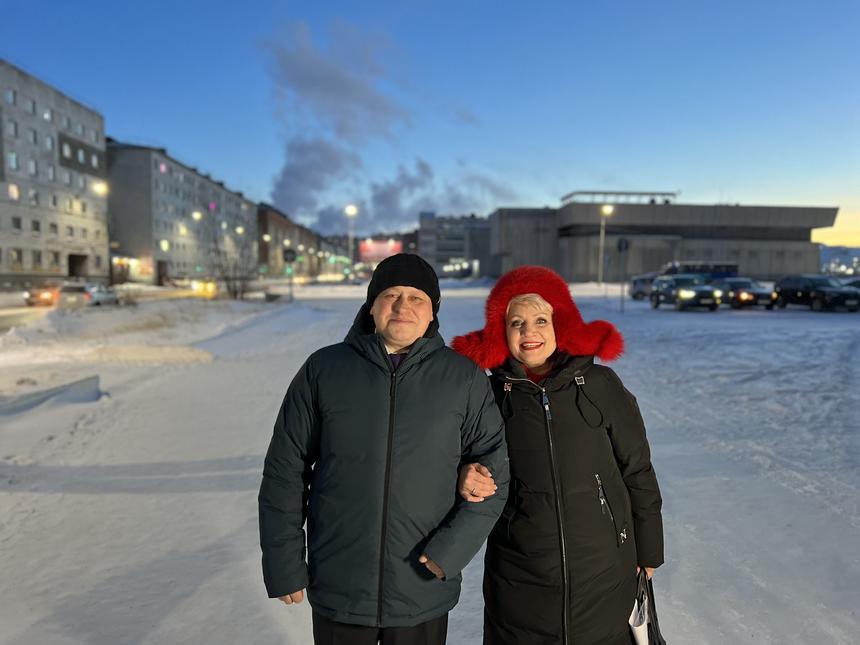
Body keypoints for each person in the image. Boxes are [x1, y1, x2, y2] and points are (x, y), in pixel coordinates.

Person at [259, 253, 509, 645]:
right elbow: (285, 471)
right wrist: (284, 562)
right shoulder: (323, 370)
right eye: (391, 294)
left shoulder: (463, 378)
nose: (402, 306)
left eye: (416, 298)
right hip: (340, 583)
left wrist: (450, 553)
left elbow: (496, 474)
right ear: (371, 306)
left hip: (422, 584)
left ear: (432, 313)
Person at [452, 265, 664, 645]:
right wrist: (462, 473)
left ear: (560, 324)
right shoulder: (485, 396)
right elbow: (454, 456)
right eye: (516, 322)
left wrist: (649, 549)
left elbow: (637, 469)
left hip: (604, 567)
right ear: (502, 332)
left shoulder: (601, 385)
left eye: (540, 320)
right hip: (520, 570)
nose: (528, 332)